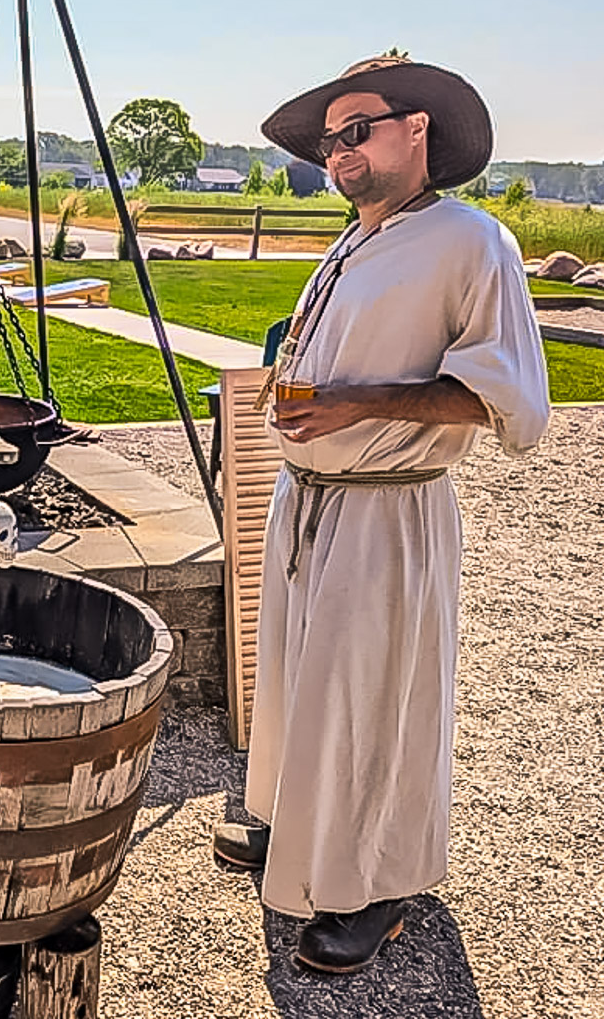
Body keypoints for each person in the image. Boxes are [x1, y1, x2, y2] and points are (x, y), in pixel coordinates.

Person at [211, 55, 551, 974]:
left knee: (374, 704)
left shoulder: (470, 241)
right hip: (309, 503)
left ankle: (378, 885)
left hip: (388, 514)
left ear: (418, 131)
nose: (340, 150)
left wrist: (359, 403)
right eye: (330, 139)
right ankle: (296, 833)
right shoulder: (357, 237)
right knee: (302, 684)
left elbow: (510, 401)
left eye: (358, 129)